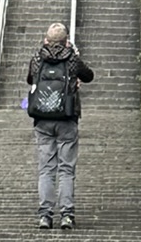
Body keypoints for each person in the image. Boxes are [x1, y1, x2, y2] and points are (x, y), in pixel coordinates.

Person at [27, 21, 94, 230]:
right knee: (66, 168)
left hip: (43, 119)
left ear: (46, 39)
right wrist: (74, 54)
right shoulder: (72, 58)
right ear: (66, 41)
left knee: (46, 169)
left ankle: (45, 215)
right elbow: (89, 76)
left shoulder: (37, 58)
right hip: (67, 118)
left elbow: (30, 79)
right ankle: (66, 214)